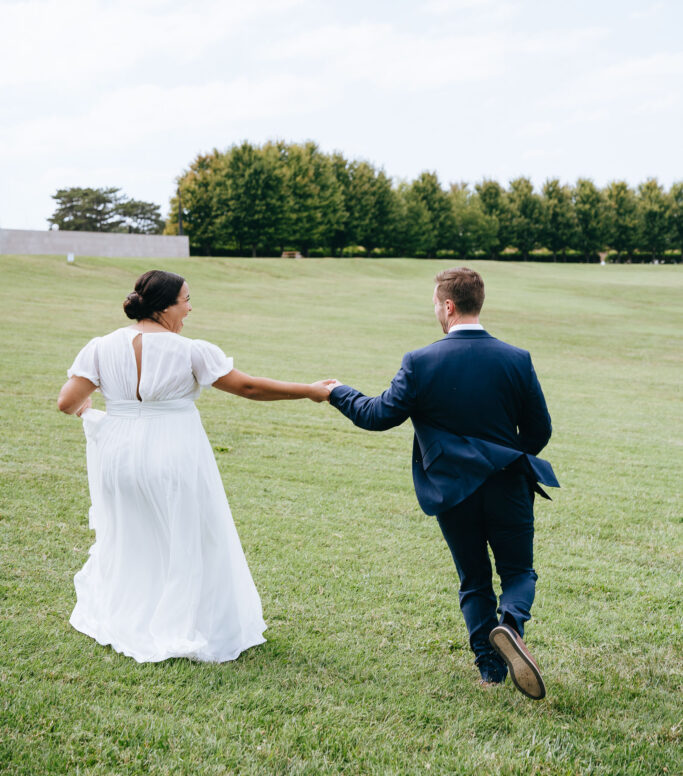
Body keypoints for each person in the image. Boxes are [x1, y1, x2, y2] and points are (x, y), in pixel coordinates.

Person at [58, 269, 332, 664]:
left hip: (117, 458)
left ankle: (130, 616)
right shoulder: (190, 351)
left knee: (132, 536)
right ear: (166, 306)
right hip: (172, 452)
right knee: (192, 537)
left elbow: (67, 402)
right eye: (186, 300)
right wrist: (310, 391)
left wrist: (91, 408)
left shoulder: (100, 347)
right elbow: (248, 387)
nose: (190, 308)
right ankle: (183, 624)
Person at [326, 267, 558, 698]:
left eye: (435, 303)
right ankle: (510, 624)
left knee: (473, 578)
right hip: (508, 483)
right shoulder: (516, 358)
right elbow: (540, 431)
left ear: (448, 306)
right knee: (519, 572)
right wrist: (503, 456)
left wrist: (338, 391)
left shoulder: (420, 361)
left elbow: (377, 415)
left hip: (452, 489)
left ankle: (490, 669)